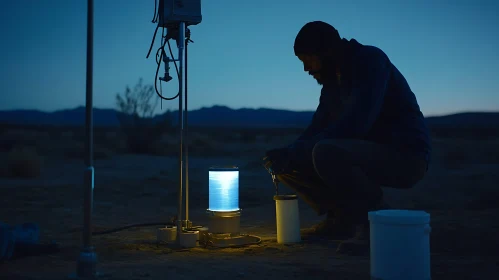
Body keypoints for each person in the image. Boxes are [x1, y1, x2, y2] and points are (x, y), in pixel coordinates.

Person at [263, 21, 431, 255]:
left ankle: (376, 224)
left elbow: (356, 125)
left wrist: (297, 150)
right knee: (288, 161)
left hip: (406, 155)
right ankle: (341, 220)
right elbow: (316, 128)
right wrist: (287, 153)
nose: (306, 69)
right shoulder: (332, 83)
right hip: (365, 150)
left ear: (327, 51)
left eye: (308, 60)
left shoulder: (370, 61)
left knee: (326, 152)